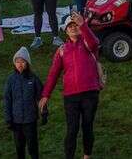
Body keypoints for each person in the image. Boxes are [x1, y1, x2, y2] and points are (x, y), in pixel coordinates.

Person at [40, 11, 103, 159]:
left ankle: (87, 155)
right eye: (70, 26)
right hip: (71, 96)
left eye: (75, 25)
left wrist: (83, 25)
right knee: (72, 129)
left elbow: (95, 43)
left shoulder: (88, 42)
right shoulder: (62, 50)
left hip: (90, 93)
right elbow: (53, 74)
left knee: (87, 126)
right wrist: (45, 95)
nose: (73, 28)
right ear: (65, 30)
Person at [3, 47, 42, 159]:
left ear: (27, 63)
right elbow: (7, 100)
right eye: (17, 61)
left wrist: (44, 113)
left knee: (32, 147)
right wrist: (8, 118)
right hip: (16, 121)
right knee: (19, 147)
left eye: (23, 61)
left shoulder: (34, 79)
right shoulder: (11, 80)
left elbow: (41, 97)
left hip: (30, 120)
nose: (20, 64)